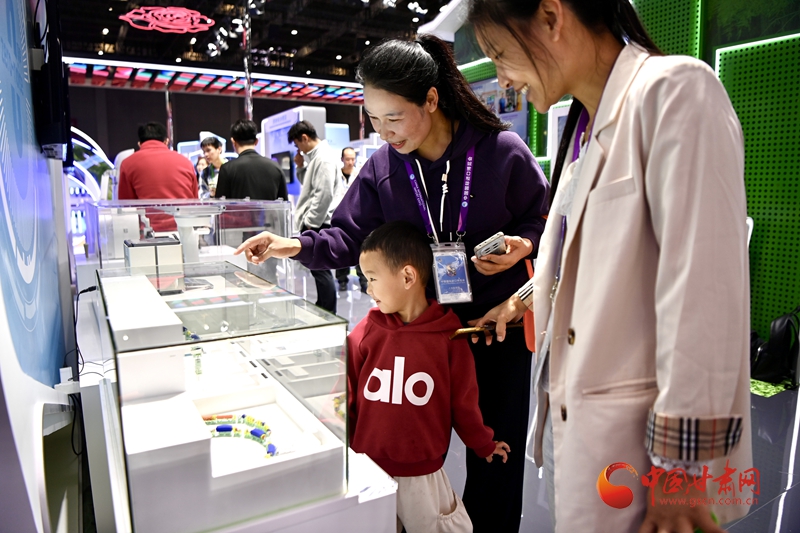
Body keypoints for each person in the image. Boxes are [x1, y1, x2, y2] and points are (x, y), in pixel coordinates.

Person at [234, 34, 550, 532]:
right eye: (374, 120)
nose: (384, 133)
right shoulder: (383, 166)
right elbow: (348, 234)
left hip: (495, 329)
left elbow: (547, 221)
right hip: (424, 336)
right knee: (411, 461)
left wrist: (525, 245)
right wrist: (291, 245)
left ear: (432, 99)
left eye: (394, 118)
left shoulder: (499, 151)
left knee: (495, 457)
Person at [467, 1, 752, 532]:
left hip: (650, 451)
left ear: (551, 17)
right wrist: (520, 302)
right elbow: (594, 262)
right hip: (585, 431)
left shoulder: (675, 91)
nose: (501, 79)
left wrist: (680, 470)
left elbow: (704, 293)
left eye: (500, 54)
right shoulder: (584, 126)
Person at [348, 221, 510, 533]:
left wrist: (483, 444)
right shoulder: (366, 331)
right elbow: (346, 392)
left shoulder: (449, 338)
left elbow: (463, 404)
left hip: (422, 475)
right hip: (368, 469)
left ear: (408, 276)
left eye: (372, 278)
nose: (368, 289)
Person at [288, 120, 343, 314]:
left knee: (321, 270)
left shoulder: (324, 157)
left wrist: (311, 223)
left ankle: (327, 311)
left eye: (298, 144)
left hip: (318, 223)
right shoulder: (318, 157)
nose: (299, 150)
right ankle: (324, 307)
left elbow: (324, 194)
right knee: (319, 269)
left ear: (304, 138)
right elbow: (311, 186)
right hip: (317, 222)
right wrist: (300, 167)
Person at [118, 122, 198, 231]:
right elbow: (194, 201)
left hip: (148, 233)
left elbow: (126, 207)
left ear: (140, 144)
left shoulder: (128, 164)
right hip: (185, 230)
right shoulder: (186, 162)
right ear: (166, 141)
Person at [215, 120, 287, 201]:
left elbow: (220, 204)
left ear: (233, 141)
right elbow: (284, 204)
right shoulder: (276, 167)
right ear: (256, 141)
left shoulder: (227, 169)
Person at [335, 146, 368, 292]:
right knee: (341, 248)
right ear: (342, 159)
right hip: (340, 217)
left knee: (361, 249)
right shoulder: (335, 175)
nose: (350, 162)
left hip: (357, 217)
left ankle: (363, 281)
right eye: (348, 159)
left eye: (353, 159)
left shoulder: (360, 174)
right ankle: (342, 280)